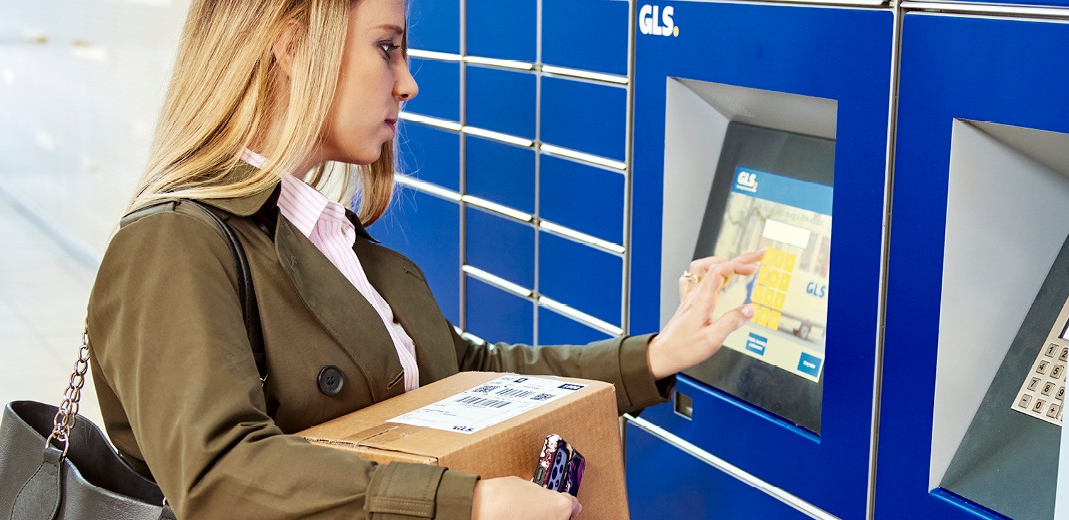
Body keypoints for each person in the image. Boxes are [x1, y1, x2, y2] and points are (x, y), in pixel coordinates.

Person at [84, 1, 762, 518]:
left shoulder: (327, 235)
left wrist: (653, 358)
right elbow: (218, 474)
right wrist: (467, 502)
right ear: (294, 44)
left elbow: (467, 373)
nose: (407, 83)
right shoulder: (174, 242)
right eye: (387, 48)